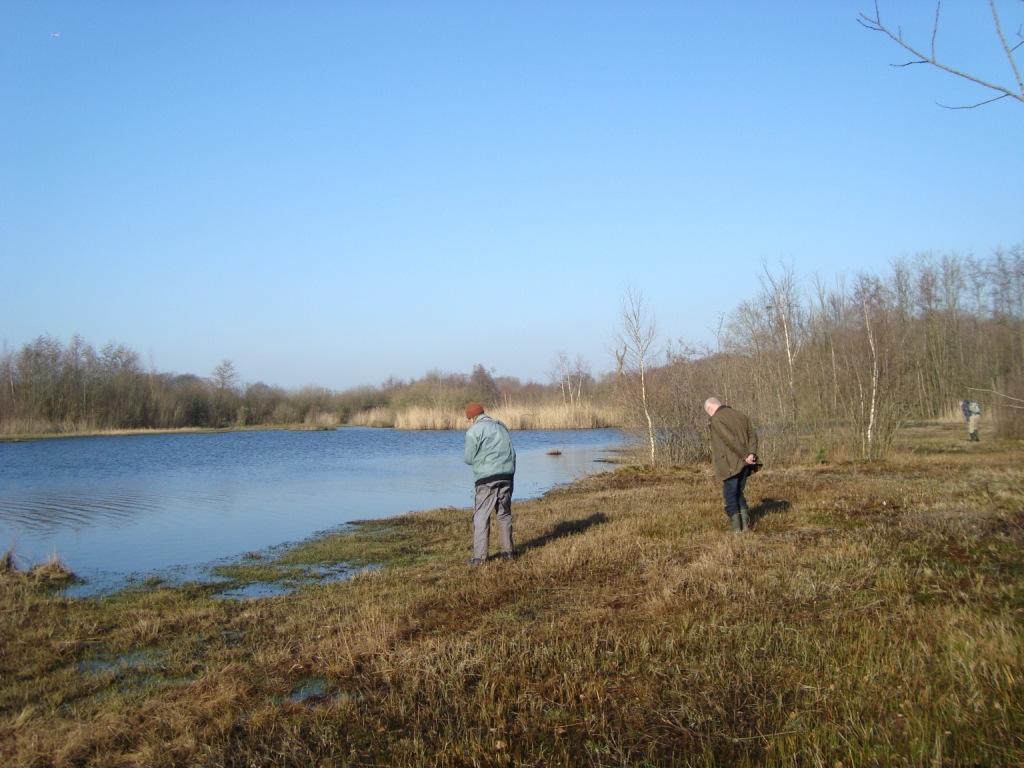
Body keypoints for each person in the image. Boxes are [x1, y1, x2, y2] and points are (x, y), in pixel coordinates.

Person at [463, 402, 516, 564]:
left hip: (486, 479)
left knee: (481, 516)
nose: (468, 422)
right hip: (507, 475)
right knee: (504, 513)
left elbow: (468, 459)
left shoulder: (474, 431)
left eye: (468, 419)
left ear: (472, 418)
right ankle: (508, 553)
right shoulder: (501, 426)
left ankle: (479, 557)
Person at [704, 397, 759, 532]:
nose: (709, 415)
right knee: (738, 492)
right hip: (746, 463)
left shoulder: (716, 419)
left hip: (730, 464)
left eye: (708, 413)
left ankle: (736, 530)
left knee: (730, 495)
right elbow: (753, 436)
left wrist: (745, 456)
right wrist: (751, 454)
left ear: (711, 408)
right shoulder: (741, 415)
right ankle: (745, 526)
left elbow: (730, 440)